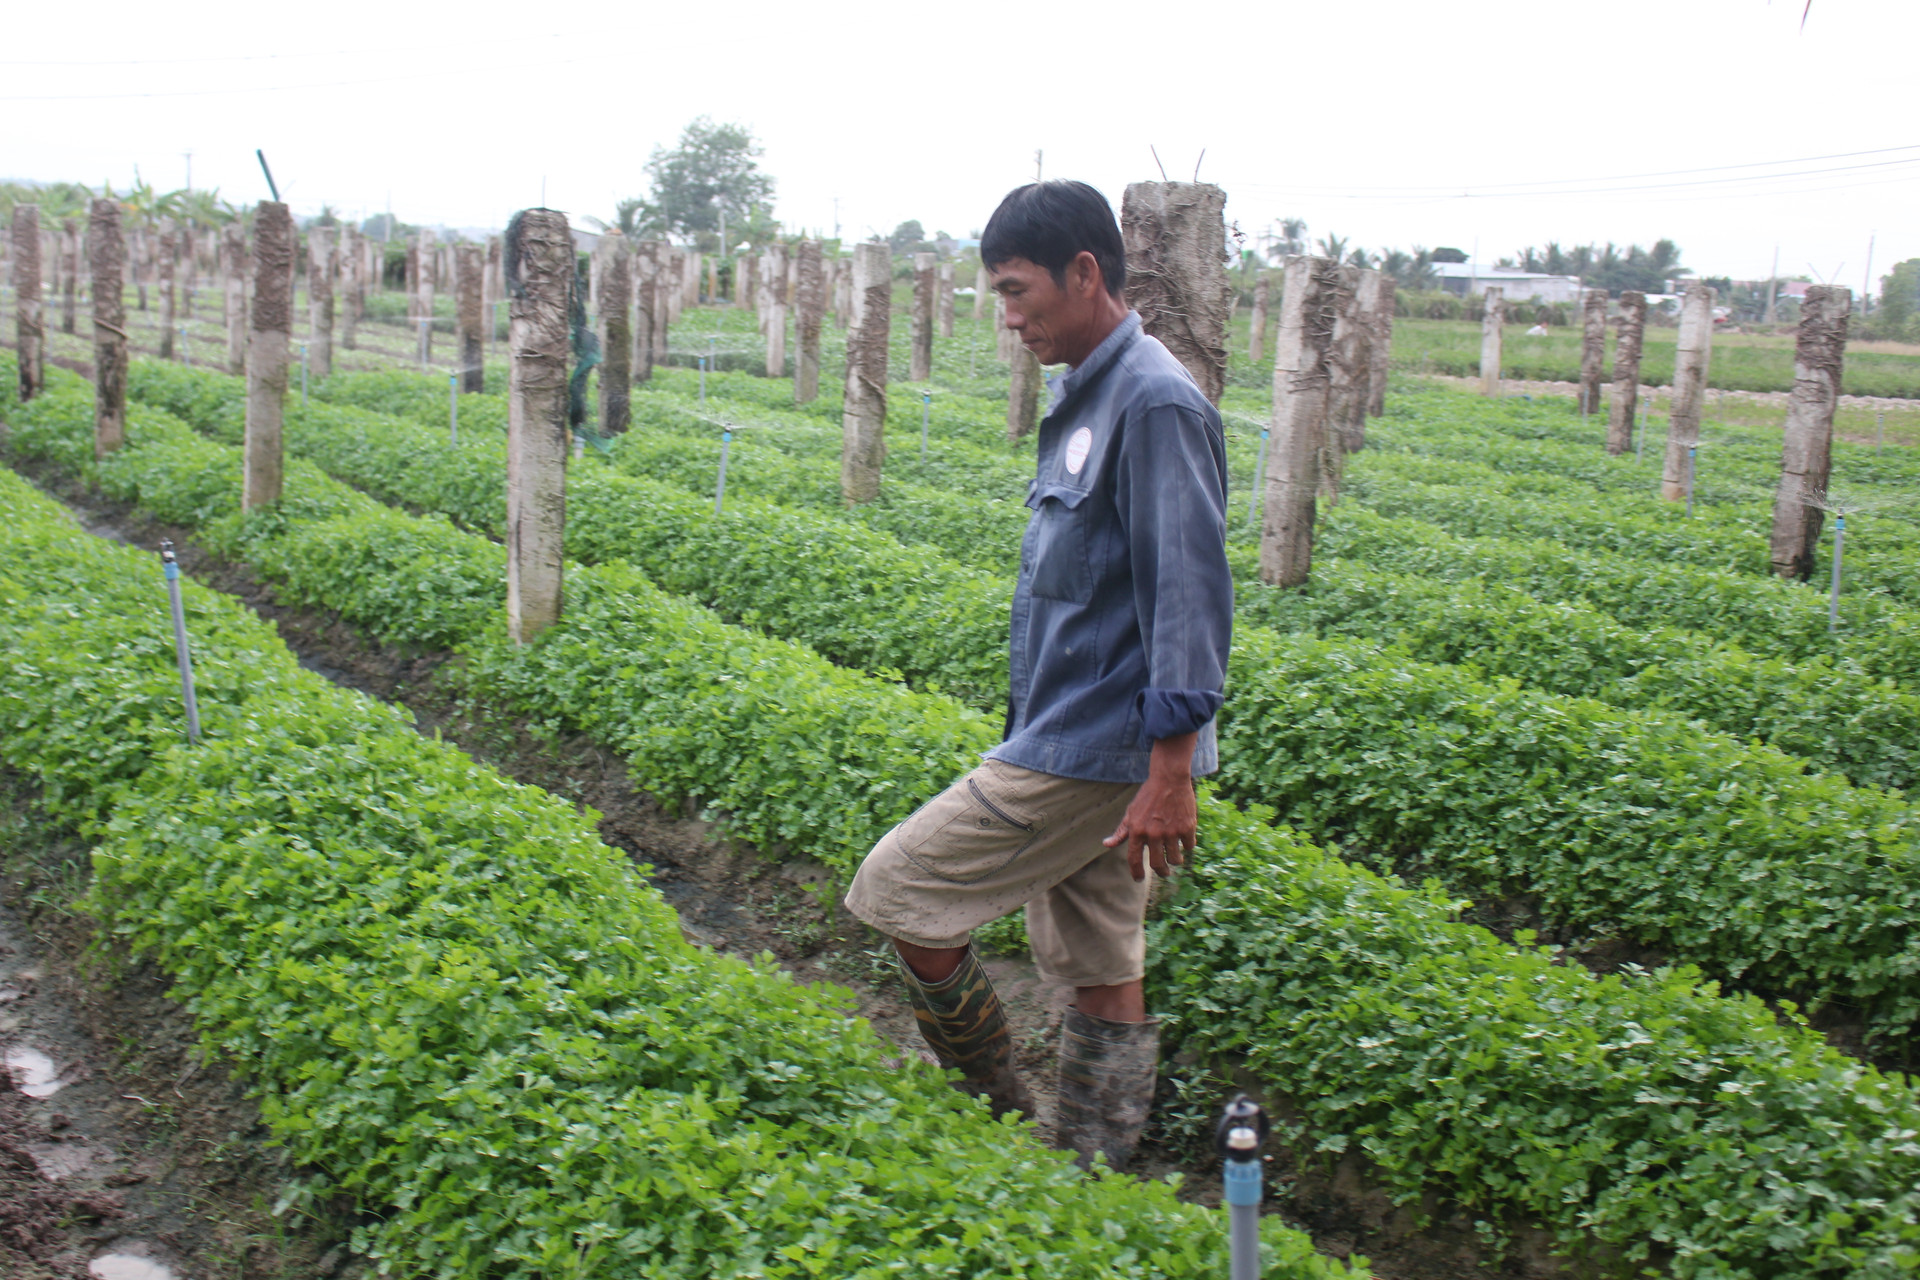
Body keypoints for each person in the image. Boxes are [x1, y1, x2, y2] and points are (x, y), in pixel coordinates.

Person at [843, 180, 1232, 1171]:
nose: (1009, 317)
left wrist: (1170, 766)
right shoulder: (1089, 393)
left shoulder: (1151, 402)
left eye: (1019, 292)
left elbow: (1186, 592)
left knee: (898, 889)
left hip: (1093, 743)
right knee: (1102, 960)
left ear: (1086, 273)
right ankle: (1096, 1176)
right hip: (1077, 726)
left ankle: (999, 1112)